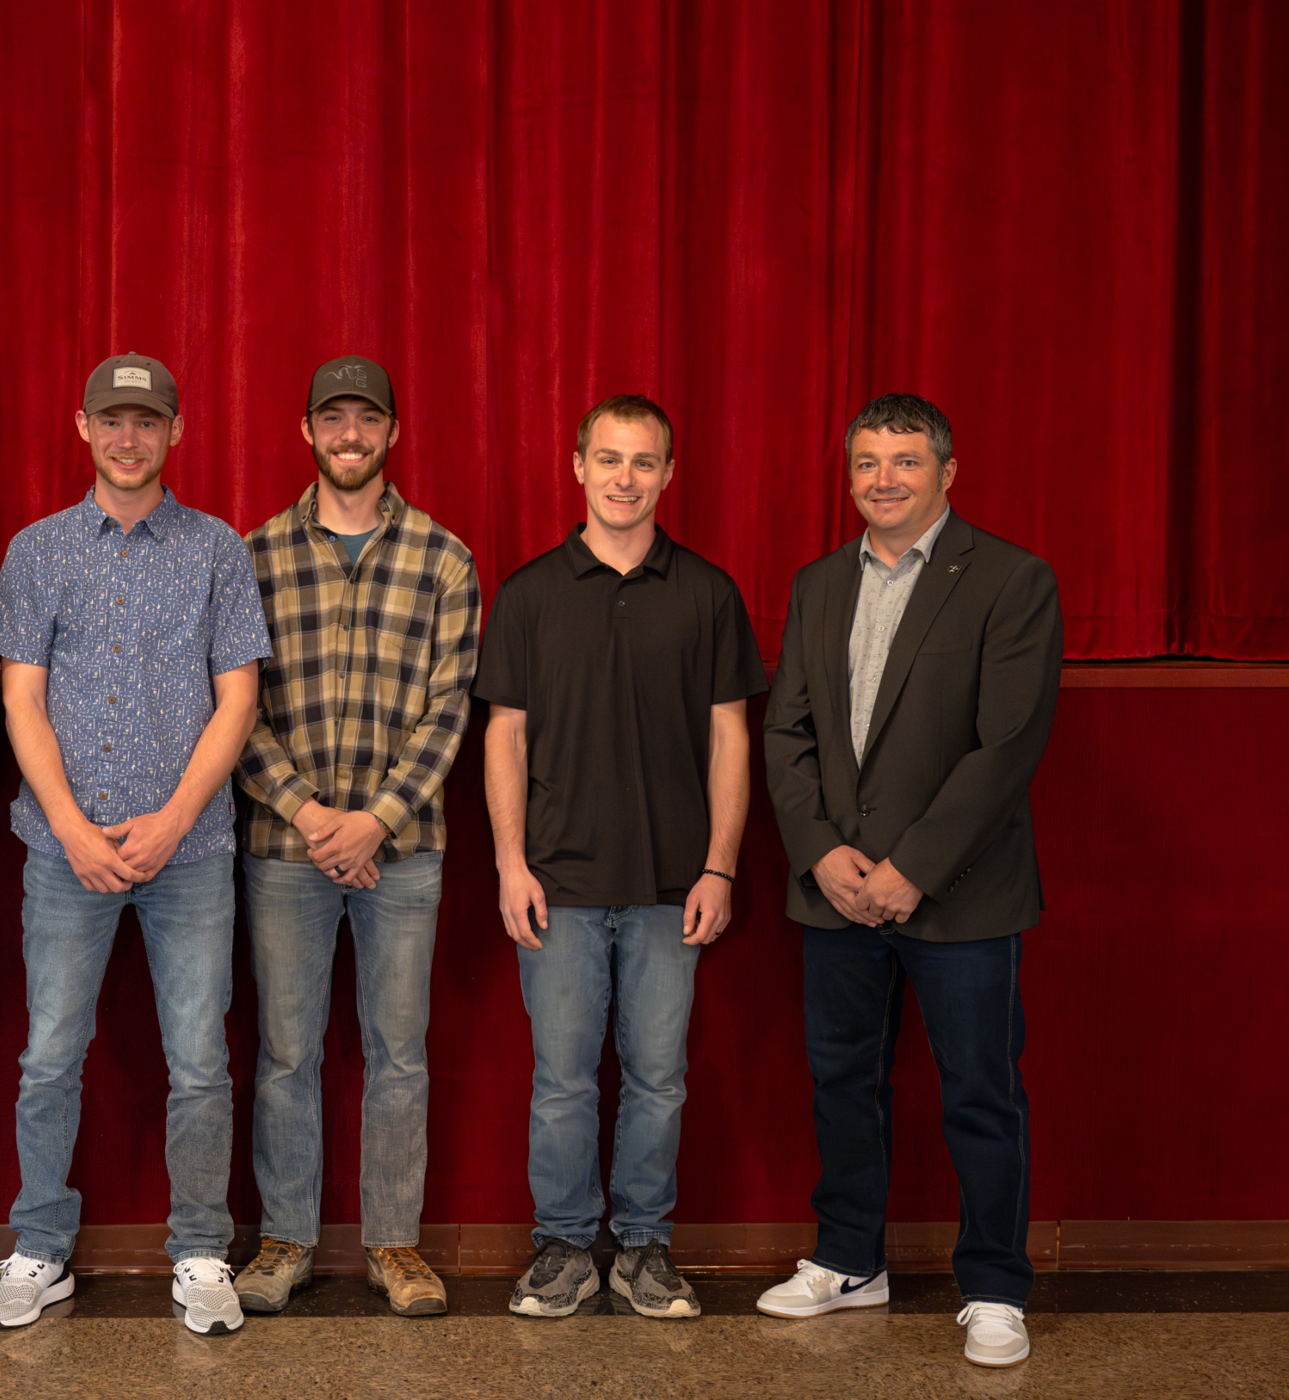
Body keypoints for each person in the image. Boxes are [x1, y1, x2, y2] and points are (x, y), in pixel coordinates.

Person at [756, 393, 1060, 1369]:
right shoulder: (817, 584)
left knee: (980, 1090)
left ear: (947, 471)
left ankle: (996, 1285)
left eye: (906, 461)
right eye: (867, 463)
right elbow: (787, 732)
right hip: (838, 891)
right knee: (843, 1082)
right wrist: (822, 853)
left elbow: (1005, 747)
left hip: (961, 893)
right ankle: (850, 1259)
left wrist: (912, 868)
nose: (883, 480)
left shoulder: (1011, 579)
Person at [0, 353, 273, 1336]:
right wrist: (69, 825)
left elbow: (237, 699)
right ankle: (40, 1247)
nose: (129, 438)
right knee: (49, 1057)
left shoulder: (217, 550)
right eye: (112, 420)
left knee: (199, 1061)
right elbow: (21, 698)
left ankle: (200, 1249)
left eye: (147, 421)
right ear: (84, 427)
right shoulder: (38, 550)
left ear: (176, 431)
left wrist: (176, 817)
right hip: (65, 852)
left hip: (189, 855)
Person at [475, 395, 765, 1320]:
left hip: (672, 886)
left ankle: (643, 1247)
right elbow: (505, 734)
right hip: (555, 884)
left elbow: (730, 737)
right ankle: (564, 1247)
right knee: (561, 1082)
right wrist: (509, 863)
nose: (625, 478)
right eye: (609, 459)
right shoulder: (529, 593)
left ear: (669, 474)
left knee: (659, 1080)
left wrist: (720, 867)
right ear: (578, 466)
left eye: (643, 462)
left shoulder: (708, 593)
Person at [230, 356, 479, 1318]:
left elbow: (449, 708)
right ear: (306, 431)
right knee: (287, 1053)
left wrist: (374, 820)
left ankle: (394, 1244)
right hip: (285, 850)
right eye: (332, 417)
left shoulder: (443, 558)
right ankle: (286, 1238)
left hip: (402, 852)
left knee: (399, 1053)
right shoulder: (252, 556)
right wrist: (310, 815)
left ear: (392, 433)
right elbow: (235, 708)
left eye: (366, 418)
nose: (349, 434)